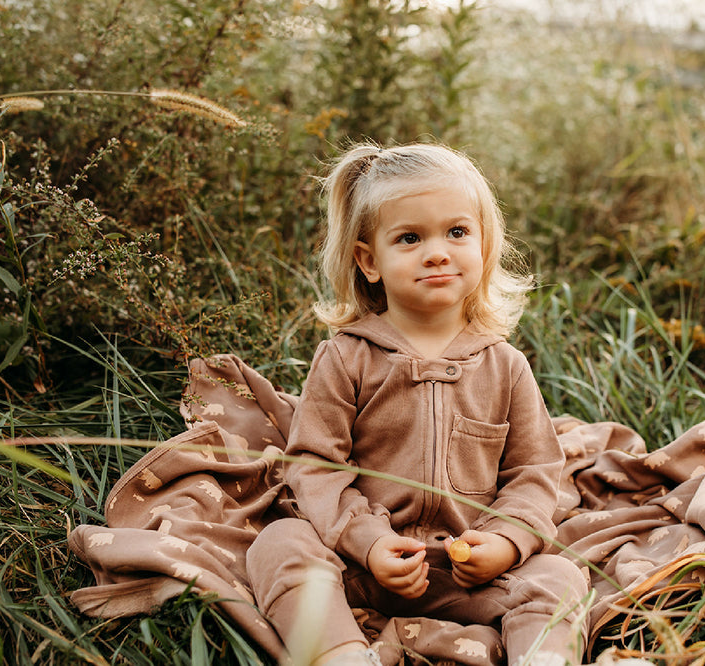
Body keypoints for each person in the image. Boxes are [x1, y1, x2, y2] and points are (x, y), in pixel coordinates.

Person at [247, 142, 589, 666]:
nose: (437, 252)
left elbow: (536, 472)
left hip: (471, 572)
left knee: (560, 575)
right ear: (369, 261)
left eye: (457, 232)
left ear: (484, 245)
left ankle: (541, 659)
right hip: (362, 566)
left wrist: (506, 542)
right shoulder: (346, 357)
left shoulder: (505, 365)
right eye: (409, 238)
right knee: (280, 543)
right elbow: (314, 465)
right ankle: (337, 655)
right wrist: (366, 541)